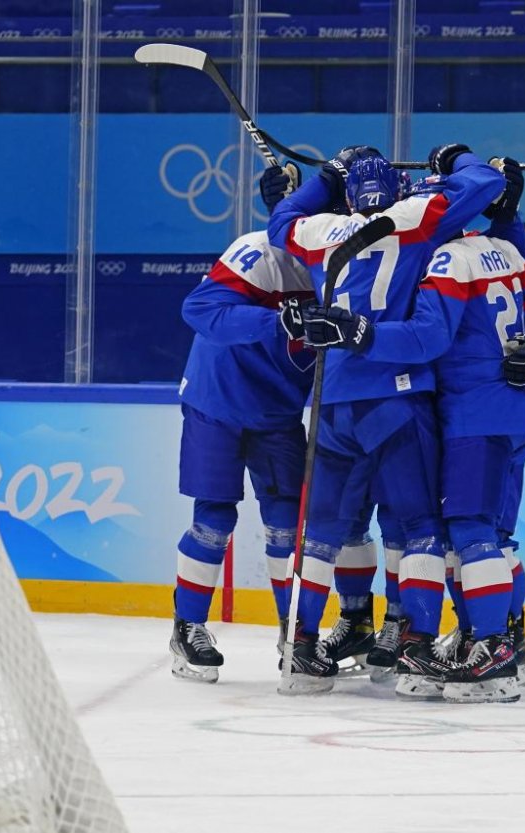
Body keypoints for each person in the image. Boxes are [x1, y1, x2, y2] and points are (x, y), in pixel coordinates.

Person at [301, 157, 525, 702]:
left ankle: (490, 647)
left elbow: (427, 339)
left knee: (469, 534)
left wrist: (360, 333)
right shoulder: (507, 251)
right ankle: (503, 643)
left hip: (472, 418)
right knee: (494, 539)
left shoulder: (447, 259)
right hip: (514, 416)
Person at [268, 143, 505, 696]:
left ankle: (301, 646)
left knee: (321, 532)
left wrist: (324, 176)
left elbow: (281, 218)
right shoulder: (416, 215)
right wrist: (453, 160)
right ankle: (415, 648)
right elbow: (484, 187)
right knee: (419, 527)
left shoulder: (318, 230)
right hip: (396, 396)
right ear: (399, 190)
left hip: (332, 401)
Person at [167, 162, 319, 683]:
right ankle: (187, 629)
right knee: (213, 520)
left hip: (277, 411)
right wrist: (279, 320)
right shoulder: (256, 249)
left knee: (286, 524)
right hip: (219, 401)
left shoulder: (340, 262)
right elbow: (201, 309)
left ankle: (293, 632)